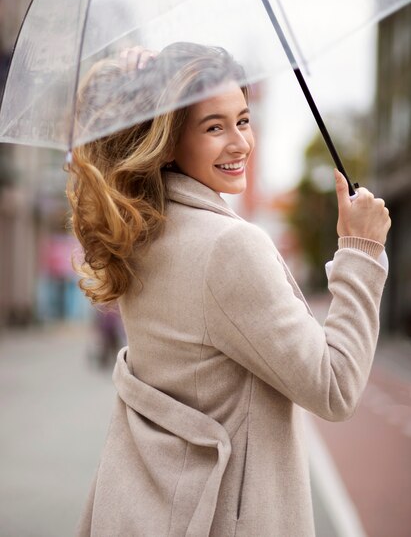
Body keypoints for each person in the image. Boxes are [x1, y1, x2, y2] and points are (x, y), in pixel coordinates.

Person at [67, 42, 391, 537]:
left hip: (147, 507)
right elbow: (335, 387)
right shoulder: (229, 247)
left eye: (243, 119)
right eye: (214, 127)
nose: (239, 143)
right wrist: (361, 250)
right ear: (170, 139)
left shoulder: (138, 232)